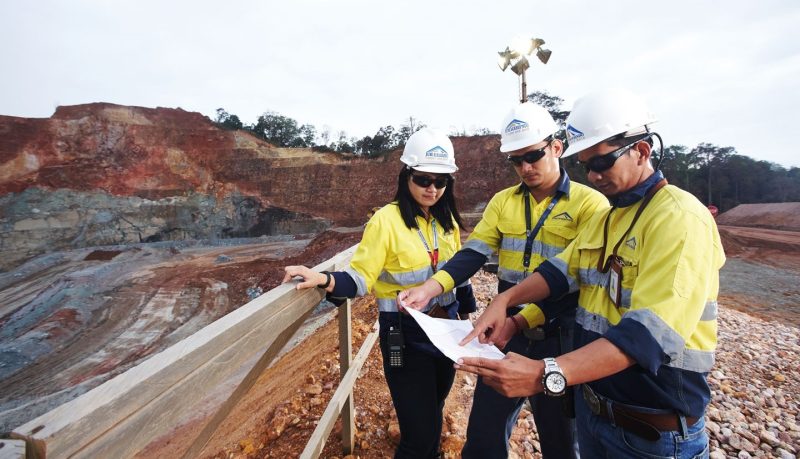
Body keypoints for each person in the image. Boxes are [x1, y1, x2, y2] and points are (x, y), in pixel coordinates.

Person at [454, 89, 725, 458]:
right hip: (596, 410)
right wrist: (506, 302)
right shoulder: (612, 218)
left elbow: (647, 335)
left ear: (642, 152)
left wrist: (542, 373)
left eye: (603, 163)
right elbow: (560, 273)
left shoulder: (678, 218)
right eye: (587, 166)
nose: (594, 176)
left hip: (652, 433)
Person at [398, 102, 608, 458]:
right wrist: (431, 288)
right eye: (515, 160)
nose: (525, 168)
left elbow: (579, 281)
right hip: (505, 337)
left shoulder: (591, 205)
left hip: (561, 338)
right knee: (483, 435)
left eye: (533, 156)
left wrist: (517, 318)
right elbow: (472, 254)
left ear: (556, 147)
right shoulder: (503, 202)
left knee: (560, 439)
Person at [283, 128, 476, 458]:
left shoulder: (446, 223)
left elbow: (457, 276)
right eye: (423, 179)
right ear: (407, 176)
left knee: (435, 412)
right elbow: (360, 278)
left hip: (446, 330)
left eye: (440, 181)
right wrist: (323, 279)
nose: (432, 189)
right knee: (419, 434)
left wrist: (467, 320)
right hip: (405, 335)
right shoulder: (385, 221)